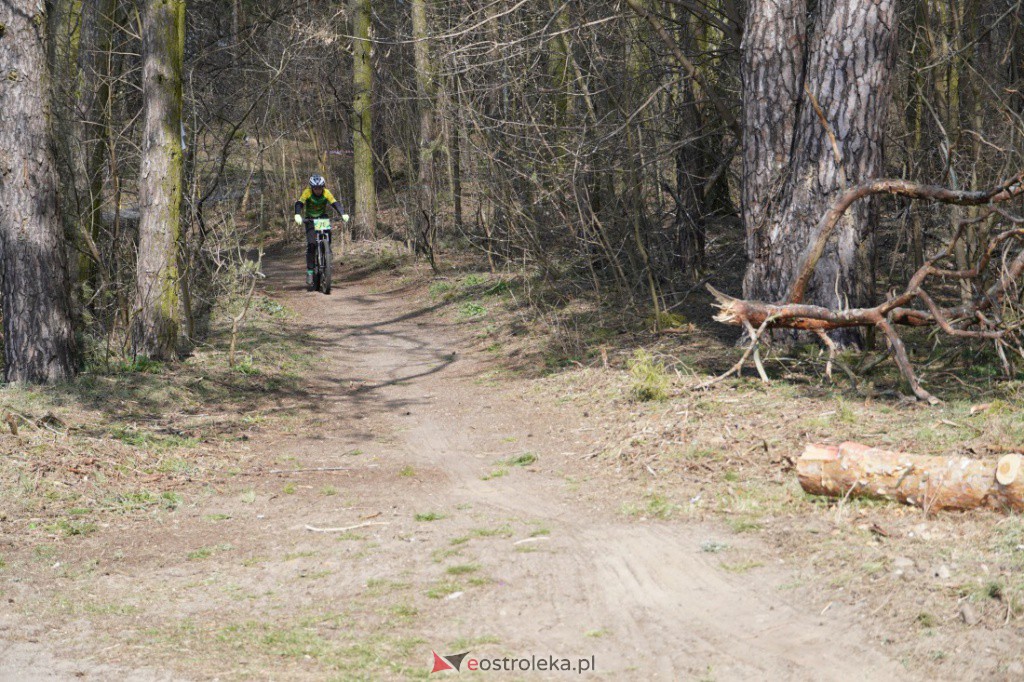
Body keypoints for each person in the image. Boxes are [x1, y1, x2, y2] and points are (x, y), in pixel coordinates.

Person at [293, 174, 349, 287]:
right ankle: (310, 271)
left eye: (320, 188)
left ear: (323, 187)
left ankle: (327, 252)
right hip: (310, 219)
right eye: (315, 188)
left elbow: (335, 203)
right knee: (312, 244)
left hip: (322, 218)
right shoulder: (307, 192)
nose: (318, 190)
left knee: (327, 238)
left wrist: (343, 213)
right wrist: (297, 214)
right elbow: (299, 203)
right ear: (312, 188)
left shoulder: (326, 192)